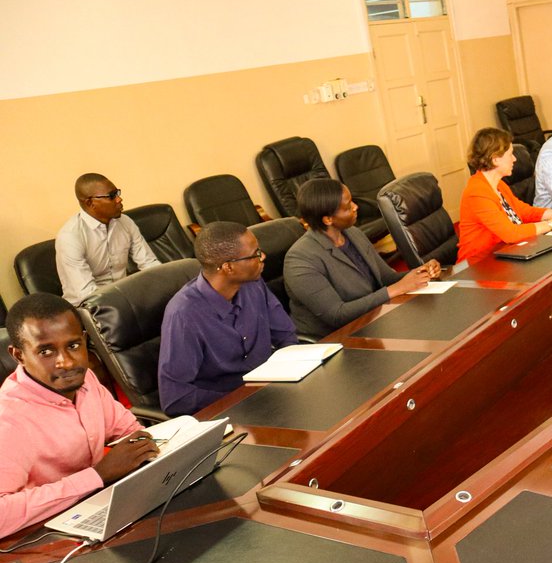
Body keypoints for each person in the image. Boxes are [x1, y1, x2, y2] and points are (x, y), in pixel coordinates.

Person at [1, 293, 159, 538]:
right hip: (44, 537)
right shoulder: (8, 420)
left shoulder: (83, 379)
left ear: (84, 340)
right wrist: (97, 476)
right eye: (46, 352)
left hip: (99, 509)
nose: (66, 362)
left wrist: (145, 447)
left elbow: (128, 430)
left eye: (73, 345)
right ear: (19, 355)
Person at [158, 222, 298, 416]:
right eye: (255, 254)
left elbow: (286, 336)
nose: (263, 257)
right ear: (228, 267)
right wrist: (243, 397)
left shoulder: (253, 284)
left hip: (273, 395)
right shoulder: (184, 314)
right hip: (227, 411)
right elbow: (175, 398)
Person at [284, 179, 441, 340]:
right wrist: (397, 288)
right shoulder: (300, 260)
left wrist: (420, 272)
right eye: (348, 206)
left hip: (373, 321)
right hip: (335, 341)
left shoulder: (353, 233)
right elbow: (337, 315)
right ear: (327, 219)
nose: (355, 207)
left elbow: (386, 278)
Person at [458, 128, 552, 263]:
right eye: (510, 155)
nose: (514, 159)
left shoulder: (499, 185)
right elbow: (511, 234)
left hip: (506, 254)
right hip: (479, 266)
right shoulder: (477, 193)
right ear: (495, 159)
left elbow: (525, 212)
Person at [56, 173, 162, 305]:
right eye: (112, 196)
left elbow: (149, 263)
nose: (119, 199)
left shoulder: (125, 222)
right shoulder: (70, 237)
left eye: (117, 193)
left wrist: (166, 286)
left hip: (123, 297)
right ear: (90, 203)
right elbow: (88, 294)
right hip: (88, 308)